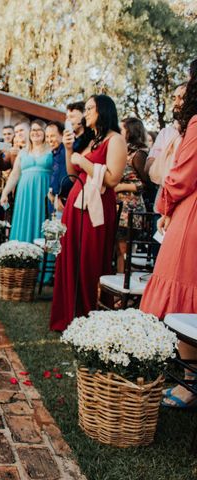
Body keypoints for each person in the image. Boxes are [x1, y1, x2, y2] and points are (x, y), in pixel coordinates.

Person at [140, 59, 197, 408]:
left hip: (191, 215)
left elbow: (182, 174)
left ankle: (188, 384)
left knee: (184, 293)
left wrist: (166, 206)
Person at [50, 95, 127, 332]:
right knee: (71, 256)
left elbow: (113, 178)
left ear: (103, 110)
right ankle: (69, 315)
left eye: (91, 108)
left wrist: (84, 163)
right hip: (76, 206)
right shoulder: (92, 140)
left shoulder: (115, 140)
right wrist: (69, 148)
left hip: (96, 208)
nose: (87, 113)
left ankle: (87, 316)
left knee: (89, 258)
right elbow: (73, 170)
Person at [1, 119, 53, 243]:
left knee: (42, 219)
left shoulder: (51, 150)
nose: (35, 132)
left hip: (44, 191)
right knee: (24, 219)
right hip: (25, 193)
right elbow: (15, 174)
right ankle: (22, 255)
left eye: (39, 129)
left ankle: (43, 257)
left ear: (45, 132)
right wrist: (5, 192)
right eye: (33, 130)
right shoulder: (23, 152)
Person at [114, 117, 149, 272]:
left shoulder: (138, 155)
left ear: (131, 131)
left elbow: (147, 184)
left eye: (121, 129)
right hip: (116, 207)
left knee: (124, 250)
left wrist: (121, 186)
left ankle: (122, 291)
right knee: (116, 250)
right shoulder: (120, 151)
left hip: (130, 210)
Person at [145, 83, 186, 212]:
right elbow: (149, 168)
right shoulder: (166, 133)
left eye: (181, 98)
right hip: (163, 203)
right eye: (174, 98)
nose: (176, 103)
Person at [46, 121, 72, 211]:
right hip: (54, 199)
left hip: (62, 201)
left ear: (62, 135)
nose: (49, 140)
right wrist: (50, 192)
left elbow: (66, 177)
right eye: (47, 136)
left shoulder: (65, 152)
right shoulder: (54, 153)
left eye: (52, 136)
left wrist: (58, 195)